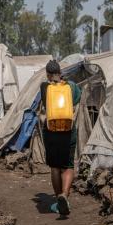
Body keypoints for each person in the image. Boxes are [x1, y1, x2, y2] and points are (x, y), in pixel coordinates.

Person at [40, 60, 81, 216]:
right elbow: (76, 99)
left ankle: (58, 201)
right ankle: (65, 194)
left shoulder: (45, 87)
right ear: (60, 71)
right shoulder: (71, 86)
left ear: (48, 74)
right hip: (68, 130)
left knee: (55, 166)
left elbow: (45, 102)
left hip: (51, 130)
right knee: (68, 165)